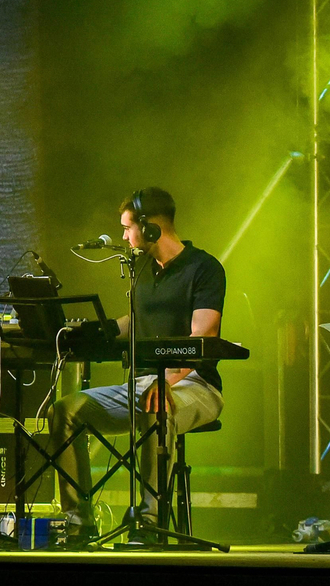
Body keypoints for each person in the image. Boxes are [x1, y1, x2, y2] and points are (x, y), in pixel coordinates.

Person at [44, 187, 226, 542]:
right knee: (63, 411)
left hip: (195, 386)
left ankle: (148, 522)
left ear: (152, 227)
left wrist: (166, 380)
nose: (124, 237)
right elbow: (136, 319)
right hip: (145, 384)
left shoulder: (204, 268)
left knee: (155, 406)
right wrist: (96, 331)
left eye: (128, 228)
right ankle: (78, 521)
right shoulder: (142, 268)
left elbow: (202, 336)